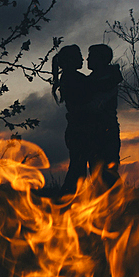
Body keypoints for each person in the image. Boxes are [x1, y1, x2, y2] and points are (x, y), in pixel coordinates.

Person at [51, 44, 90, 194]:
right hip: (79, 130)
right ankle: (65, 203)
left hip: (76, 130)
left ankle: (66, 202)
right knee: (77, 171)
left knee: (77, 169)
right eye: (79, 56)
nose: (82, 59)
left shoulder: (69, 77)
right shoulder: (74, 78)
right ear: (71, 60)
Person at [85, 44, 122, 188]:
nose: (87, 59)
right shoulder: (95, 79)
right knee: (96, 172)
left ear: (100, 59)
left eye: (91, 56)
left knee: (107, 171)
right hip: (96, 130)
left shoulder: (108, 79)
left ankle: (117, 204)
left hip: (105, 130)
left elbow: (96, 105)